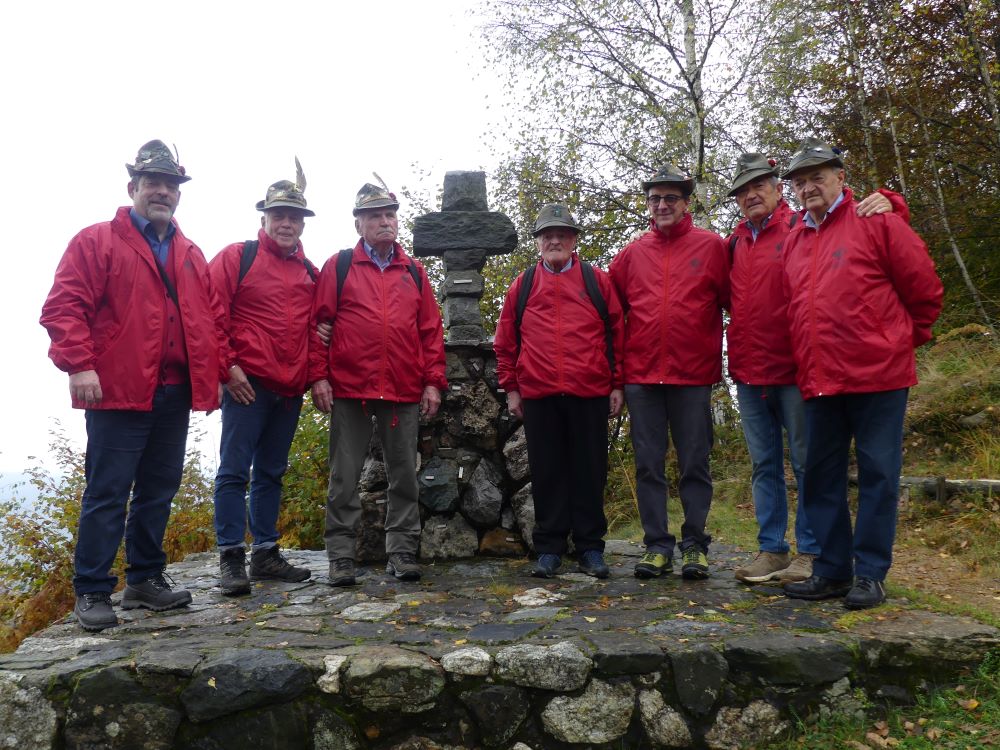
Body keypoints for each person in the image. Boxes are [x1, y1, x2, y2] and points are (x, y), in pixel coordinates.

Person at [40, 140, 226, 631]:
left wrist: (215, 375)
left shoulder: (190, 253)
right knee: (107, 491)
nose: (162, 191)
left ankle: (144, 579)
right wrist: (80, 365)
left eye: (171, 185)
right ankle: (93, 589)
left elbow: (208, 322)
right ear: (133, 188)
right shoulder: (97, 240)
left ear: (179, 194)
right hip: (117, 391)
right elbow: (63, 307)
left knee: (159, 490)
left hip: (175, 391)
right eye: (153, 183)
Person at [726, 153, 906, 585]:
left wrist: (892, 202)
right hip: (750, 373)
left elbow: (864, 231)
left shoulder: (800, 226)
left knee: (809, 465)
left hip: (798, 369)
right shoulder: (730, 244)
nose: (751, 195)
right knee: (764, 465)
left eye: (759, 186)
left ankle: (811, 552)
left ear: (775, 188)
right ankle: (772, 549)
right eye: (742, 191)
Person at [779, 138, 943, 609]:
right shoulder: (795, 238)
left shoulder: (877, 221)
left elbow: (925, 289)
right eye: (800, 181)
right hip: (819, 376)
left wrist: (899, 339)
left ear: (839, 179)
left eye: (818, 177)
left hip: (879, 376)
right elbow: (794, 307)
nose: (809, 187)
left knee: (878, 474)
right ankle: (831, 570)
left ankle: (870, 573)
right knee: (819, 475)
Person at [309, 181, 446, 586]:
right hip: (350, 387)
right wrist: (319, 376)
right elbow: (318, 325)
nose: (385, 221)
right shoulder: (340, 265)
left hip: (403, 388)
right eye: (375, 216)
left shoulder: (414, 272)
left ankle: (402, 551)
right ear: (359, 224)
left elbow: (430, 333)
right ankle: (341, 557)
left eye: (389, 214)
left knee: (404, 474)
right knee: (344, 475)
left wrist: (433, 383)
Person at [609, 165, 730, 580]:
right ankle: (657, 546)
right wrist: (616, 377)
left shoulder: (713, 247)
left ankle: (695, 544)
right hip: (642, 377)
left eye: (670, 198)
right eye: (655, 199)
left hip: (693, 376)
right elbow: (610, 313)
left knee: (695, 463)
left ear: (686, 203)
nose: (662, 205)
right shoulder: (631, 254)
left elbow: (739, 302)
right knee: (648, 465)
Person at [494, 204, 625, 578]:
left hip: (589, 392)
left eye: (562, 234)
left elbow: (618, 335)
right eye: (547, 235)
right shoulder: (522, 285)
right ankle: (549, 548)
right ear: (537, 242)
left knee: (589, 471)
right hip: (539, 394)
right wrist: (512, 390)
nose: (554, 240)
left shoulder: (596, 281)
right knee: (547, 472)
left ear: (573, 240)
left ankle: (589, 548)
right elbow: (506, 343)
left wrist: (617, 384)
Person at [207, 164, 318, 595]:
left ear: (302, 223)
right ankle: (231, 556)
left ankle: (266, 554)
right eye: (279, 216)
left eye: (294, 216)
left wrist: (312, 373)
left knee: (271, 471)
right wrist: (228, 368)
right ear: (264, 220)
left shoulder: (310, 271)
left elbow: (318, 325)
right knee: (234, 471)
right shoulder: (238, 257)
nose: (287, 223)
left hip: (290, 389)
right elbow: (209, 315)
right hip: (246, 385)